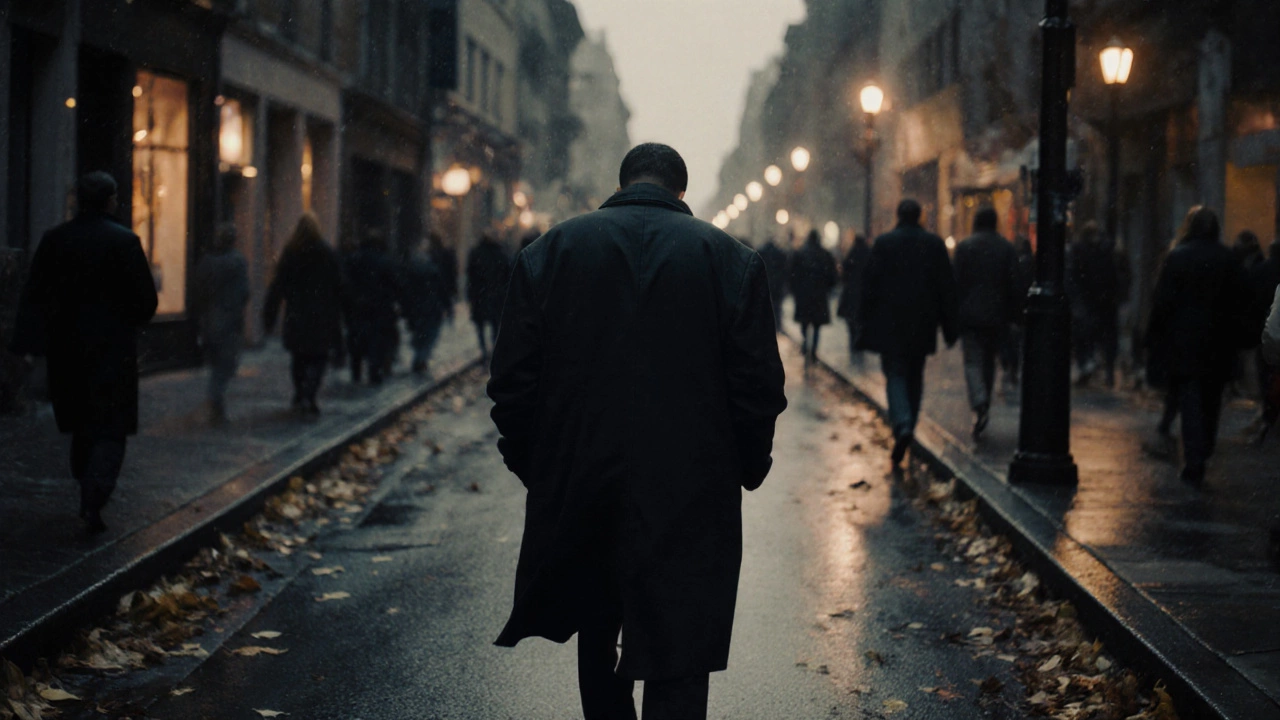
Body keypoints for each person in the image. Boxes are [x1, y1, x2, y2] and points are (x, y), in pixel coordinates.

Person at [488, 143, 787, 720]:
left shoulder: (550, 253)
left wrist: (544, 468)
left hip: (586, 480)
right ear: (681, 192)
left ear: (621, 183)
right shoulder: (732, 261)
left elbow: (512, 385)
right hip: (692, 487)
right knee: (681, 644)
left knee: (598, 629)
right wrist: (744, 467)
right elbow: (759, 389)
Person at [9, 172, 158, 534]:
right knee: (111, 428)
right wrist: (127, 323)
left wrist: (29, 346)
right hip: (112, 351)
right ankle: (95, 493)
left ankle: (86, 485)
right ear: (110, 200)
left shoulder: (56, 240)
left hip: (68, 350)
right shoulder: (125, 242)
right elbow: (146, 301)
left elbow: (35, 296)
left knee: (81, 424)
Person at [1146, 206, 1252, 485]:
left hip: (1185, 343)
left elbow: (1162, 303)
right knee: (1211, 401)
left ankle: (1195, 459)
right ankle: (1203, 452)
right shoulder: (1228, 258)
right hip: (1218, 343)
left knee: (1191, 400)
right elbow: (1240, 301)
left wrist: (1155, 338)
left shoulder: (1178, 258)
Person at [856, 199, 958, 468]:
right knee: (915, 376)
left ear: (898, 215)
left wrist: (863, 322)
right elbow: (946, 288)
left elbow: (869, 286)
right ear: (920, 216)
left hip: (890, 324)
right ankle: (909, 423)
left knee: (895, 375)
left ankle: (902, 424)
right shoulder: (934, 245)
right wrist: (949, 327)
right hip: (922, 323)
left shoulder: (884, 243)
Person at [263, 213, 345, 415]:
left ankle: (301, 392)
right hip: (321, 315)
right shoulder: (326, 253)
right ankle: (309, 393)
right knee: (318, 358)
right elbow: (339, 285)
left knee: (299, 357)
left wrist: (269, 314)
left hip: (297, 314)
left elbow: (278, 285)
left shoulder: (292, 252)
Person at [953, 207, 1018, 439]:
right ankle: (984, 402)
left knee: (972, 361)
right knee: (989, 362)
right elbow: (1014, 284)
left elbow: (956, 283)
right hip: (996, 315)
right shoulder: (1006, 248)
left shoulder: (965, 247)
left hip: (970, 316)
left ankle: (979, 400)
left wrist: (954, 314)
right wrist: (1013, 315)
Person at [191, 223, 250, 424]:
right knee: (225, 365)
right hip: (228, 320)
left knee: (218, 363)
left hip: (210, 319)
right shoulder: (238, 262)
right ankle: (215, 400)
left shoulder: (207, 262)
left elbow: (198, 290)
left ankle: (216, 402)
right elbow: (244, 293)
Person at [344, 230, 402, 385]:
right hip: (379, 308)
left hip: (358, 306)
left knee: (357, 339)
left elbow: (346, 283)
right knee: (376, 340)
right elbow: (395, 285)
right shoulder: (384, 261)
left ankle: (356, 372)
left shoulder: (354, 259)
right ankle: (374, 371)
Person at [1066, 222, 1120, 386]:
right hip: (1105, 300)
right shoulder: (1108, 249)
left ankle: (1088, 365)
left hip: (1089, 300)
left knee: (1085, 336)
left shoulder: (1079, 250)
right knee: (1106, 338)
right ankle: (1106, 371)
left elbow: (1074, 276)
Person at [789, 229, 838, 367]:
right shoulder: (824, 254)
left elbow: (792, 274)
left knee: (805, 322)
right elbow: (832, 276)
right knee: (816, 325)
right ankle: (814, 349)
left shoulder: (800, 254)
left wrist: (796, 290)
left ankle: (806, 342)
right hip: (819, 295)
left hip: (803, 295)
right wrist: (827, 288)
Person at [399, 236, 447, 377]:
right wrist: (446, 305)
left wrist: (406, 306)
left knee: (420, 334)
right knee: (429, 335)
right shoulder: (433, 270)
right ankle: (421, 358)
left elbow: (406, 290)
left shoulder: (411, 270)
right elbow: (441, 290)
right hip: (431, 307)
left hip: (417, 308)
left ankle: (419, 358)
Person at [1247, 241, 1280, 443]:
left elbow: (1252, 301)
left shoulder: (1260, 271)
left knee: (1267, 375)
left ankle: (1269, 415)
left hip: (1266, 332)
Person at [466, 233, 512, 360]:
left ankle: (484, 350)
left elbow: (470, 276)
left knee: (480, 326)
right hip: (496, 296)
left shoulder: (476, 254)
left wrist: (471, 294)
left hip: (480, 295)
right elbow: (507, 277)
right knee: (495, 325)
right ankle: (493, 349)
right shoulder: (501, 255)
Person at [999, 235, 1035, 390]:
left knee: (1010, 341)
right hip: (1021, 308)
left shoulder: (1014, 263)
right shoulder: (1031, 264)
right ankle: (1013, 367)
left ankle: (1009, 366)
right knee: (1017, 341)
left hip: (1012, 309)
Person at [836, 234, 871, 363]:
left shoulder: (852, 254)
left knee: (851, 320)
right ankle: (859, 341)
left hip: (851, 293)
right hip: (865, 293)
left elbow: (844, 272)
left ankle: (854, 341)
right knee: (861, 320)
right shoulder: (868, 253)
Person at [757, 236, 789, 331]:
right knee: (776, 306)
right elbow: (785, 270)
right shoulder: (780, 254)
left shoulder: (760, 253)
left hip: (764, 283)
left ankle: (764, 324)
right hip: (776, 284)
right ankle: (777, 324)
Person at [429, 233, 459, 324]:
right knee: (446, 303)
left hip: (439, 284)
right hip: (445, 283)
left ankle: (444, 318)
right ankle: (448, 318)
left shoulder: (432, 254)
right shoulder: (445, 253)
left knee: (441, 302)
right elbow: (452, 270)